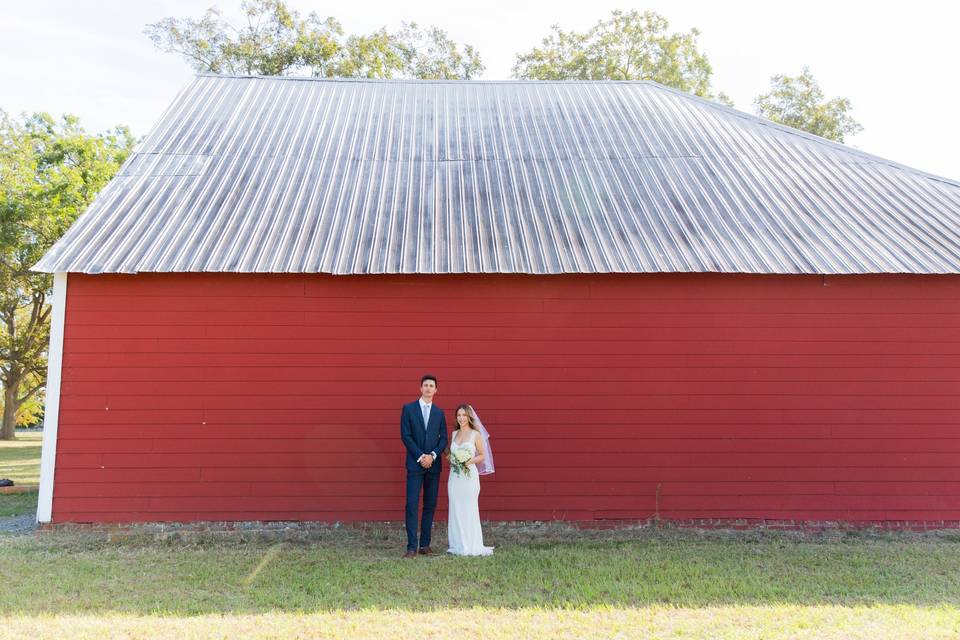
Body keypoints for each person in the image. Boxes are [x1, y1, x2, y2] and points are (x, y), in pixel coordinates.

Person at [399, 374, 448, 558]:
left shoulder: (439, 413)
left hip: (433, 466)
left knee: (430, 504)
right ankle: (411, 546)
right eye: (425, 385)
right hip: (415, 464)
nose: (428, 388)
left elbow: (443, 438)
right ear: (420, 388)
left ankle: (425, 545)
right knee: (412, 504)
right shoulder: (409, 409)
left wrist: (433, 455)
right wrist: (421, 456)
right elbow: (406, 436)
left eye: (431, 386)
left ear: (436, 390)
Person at [446, 404, 495, 556]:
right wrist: (452, 459)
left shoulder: (475, 434)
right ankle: (458, 544)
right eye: (459, 415)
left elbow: (482, 455)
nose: (461, 418)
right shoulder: (454, 434)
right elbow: (450, 453)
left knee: (468, 508)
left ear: (469, 417)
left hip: (469, 477)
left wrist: (468, 461)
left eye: (464, 415)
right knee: (455, 507)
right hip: (455, 477)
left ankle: (470, 544)